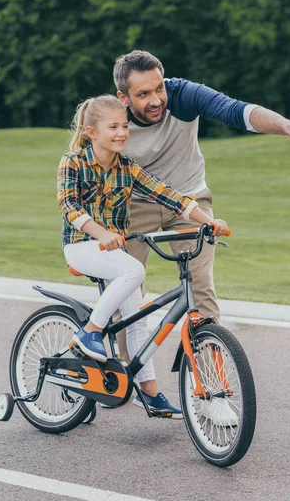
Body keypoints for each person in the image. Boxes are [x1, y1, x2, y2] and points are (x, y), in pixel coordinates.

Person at [112, 50, 290, 338]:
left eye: (159, 87)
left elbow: (235, 110)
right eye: (143, 94)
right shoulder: (113, 118)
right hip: (135, 205)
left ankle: (211, 380)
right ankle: (121, 377)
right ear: (123, 98)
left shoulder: (183, 95)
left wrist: (286, 125)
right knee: (126, 296)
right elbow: (85, 166)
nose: (156, 100)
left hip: (189, 201)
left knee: (200, 292)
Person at [57, 94, 228, 419]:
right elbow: (69, 206)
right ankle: (90, 331)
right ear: (92, 131)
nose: (122, 132)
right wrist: (101, 233)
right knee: (133, 271)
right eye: (113, 127)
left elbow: (170, 196)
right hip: (82, 245)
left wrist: (209, 221)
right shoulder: (73, 162)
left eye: (124, 126)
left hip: (113, 253)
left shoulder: (128, 168)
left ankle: (149, 393)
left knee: (137, 319)